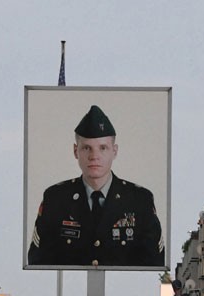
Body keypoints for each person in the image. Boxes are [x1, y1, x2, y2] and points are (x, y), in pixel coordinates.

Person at [27, 104, 164, 268]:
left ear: (114, 151)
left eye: (102, 148)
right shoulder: (56, 199)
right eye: (86, 148)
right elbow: (38, 262)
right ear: (75, 151)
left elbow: (155, 262)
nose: (94, 156)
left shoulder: (139, 200)